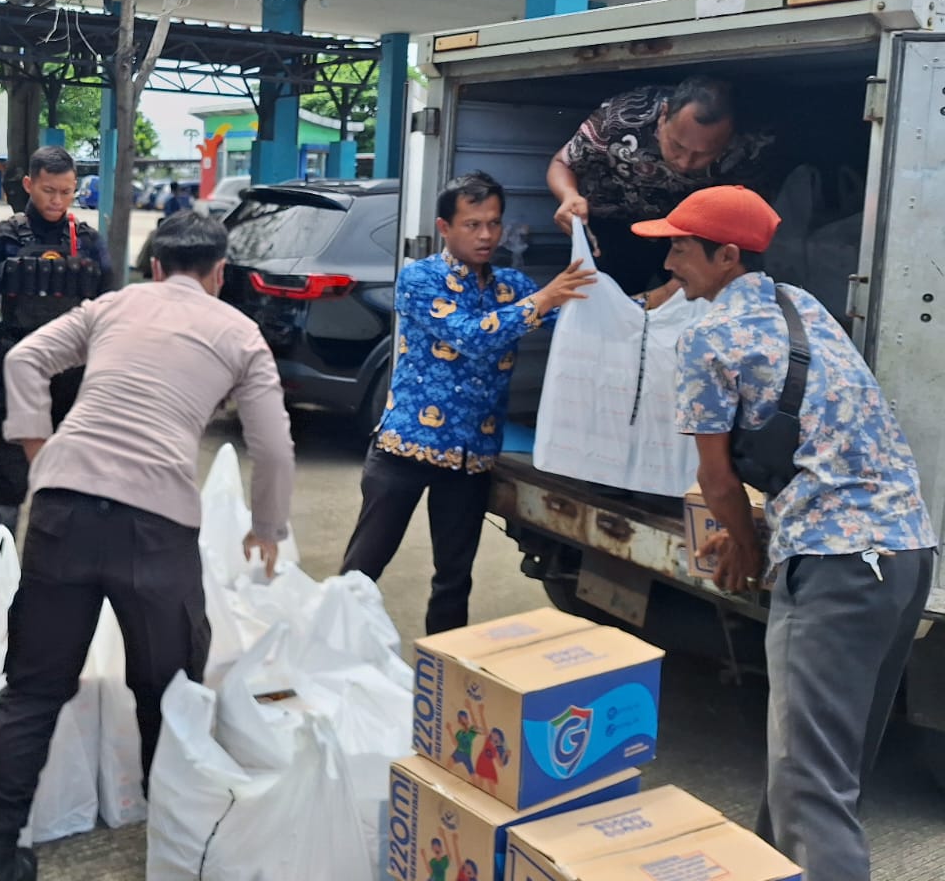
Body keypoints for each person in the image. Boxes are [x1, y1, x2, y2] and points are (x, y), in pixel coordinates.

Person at [0, 211, 294, 881]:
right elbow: (273, 447)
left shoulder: (113, 305)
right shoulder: (240, 332)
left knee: (32, 687)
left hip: (62, 509)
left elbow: (24, 358)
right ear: (219, 273)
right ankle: (176, 842)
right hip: (156, 526)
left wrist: (40, 451)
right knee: (168, 690)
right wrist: (266, 527)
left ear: (156, 267)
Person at [631, 185, 937, 881]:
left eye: (680, 248)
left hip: (836, 569)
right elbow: (830, 446)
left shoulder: (707, 336)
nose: (669, 262)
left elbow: (715, 480)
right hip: (906, 553)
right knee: (818, 777)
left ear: (727, 256)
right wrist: (762, 529)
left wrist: (744, 541)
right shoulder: (803, 307)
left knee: (810, 792)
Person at [339, 172, 595, 633]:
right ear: (445, 227)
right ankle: (332, 656)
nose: (486, 235)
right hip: (406, 448)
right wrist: (542, 298)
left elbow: (578, 319)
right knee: (361, 572)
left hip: (470, 458)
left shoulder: (511, 285)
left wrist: (647, 297)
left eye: (494, 224)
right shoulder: (420, 278)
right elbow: (471, 337)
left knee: (454, 580)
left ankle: (443, 669)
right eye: (472, 224)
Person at [0, 145, 113, 542]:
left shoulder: (90, 242)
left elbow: (111, 313)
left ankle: (68, 553)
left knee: (75, 470)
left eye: (66, 191)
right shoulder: (1, 238)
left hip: (76, 375)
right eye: (49, 190)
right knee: (11, 472)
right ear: (29, 184)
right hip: (18, 370)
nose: (58, 200)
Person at [546, 77, 773, 292]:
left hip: (690, 233)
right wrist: (569, 196)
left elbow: (746, 212)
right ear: (664, 114)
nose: (685, 163)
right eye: (677, 146)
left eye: (704, 154)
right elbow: (562, 163)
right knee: (604, 299)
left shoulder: (749, 145)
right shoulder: (619, 118)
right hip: (615, 223)